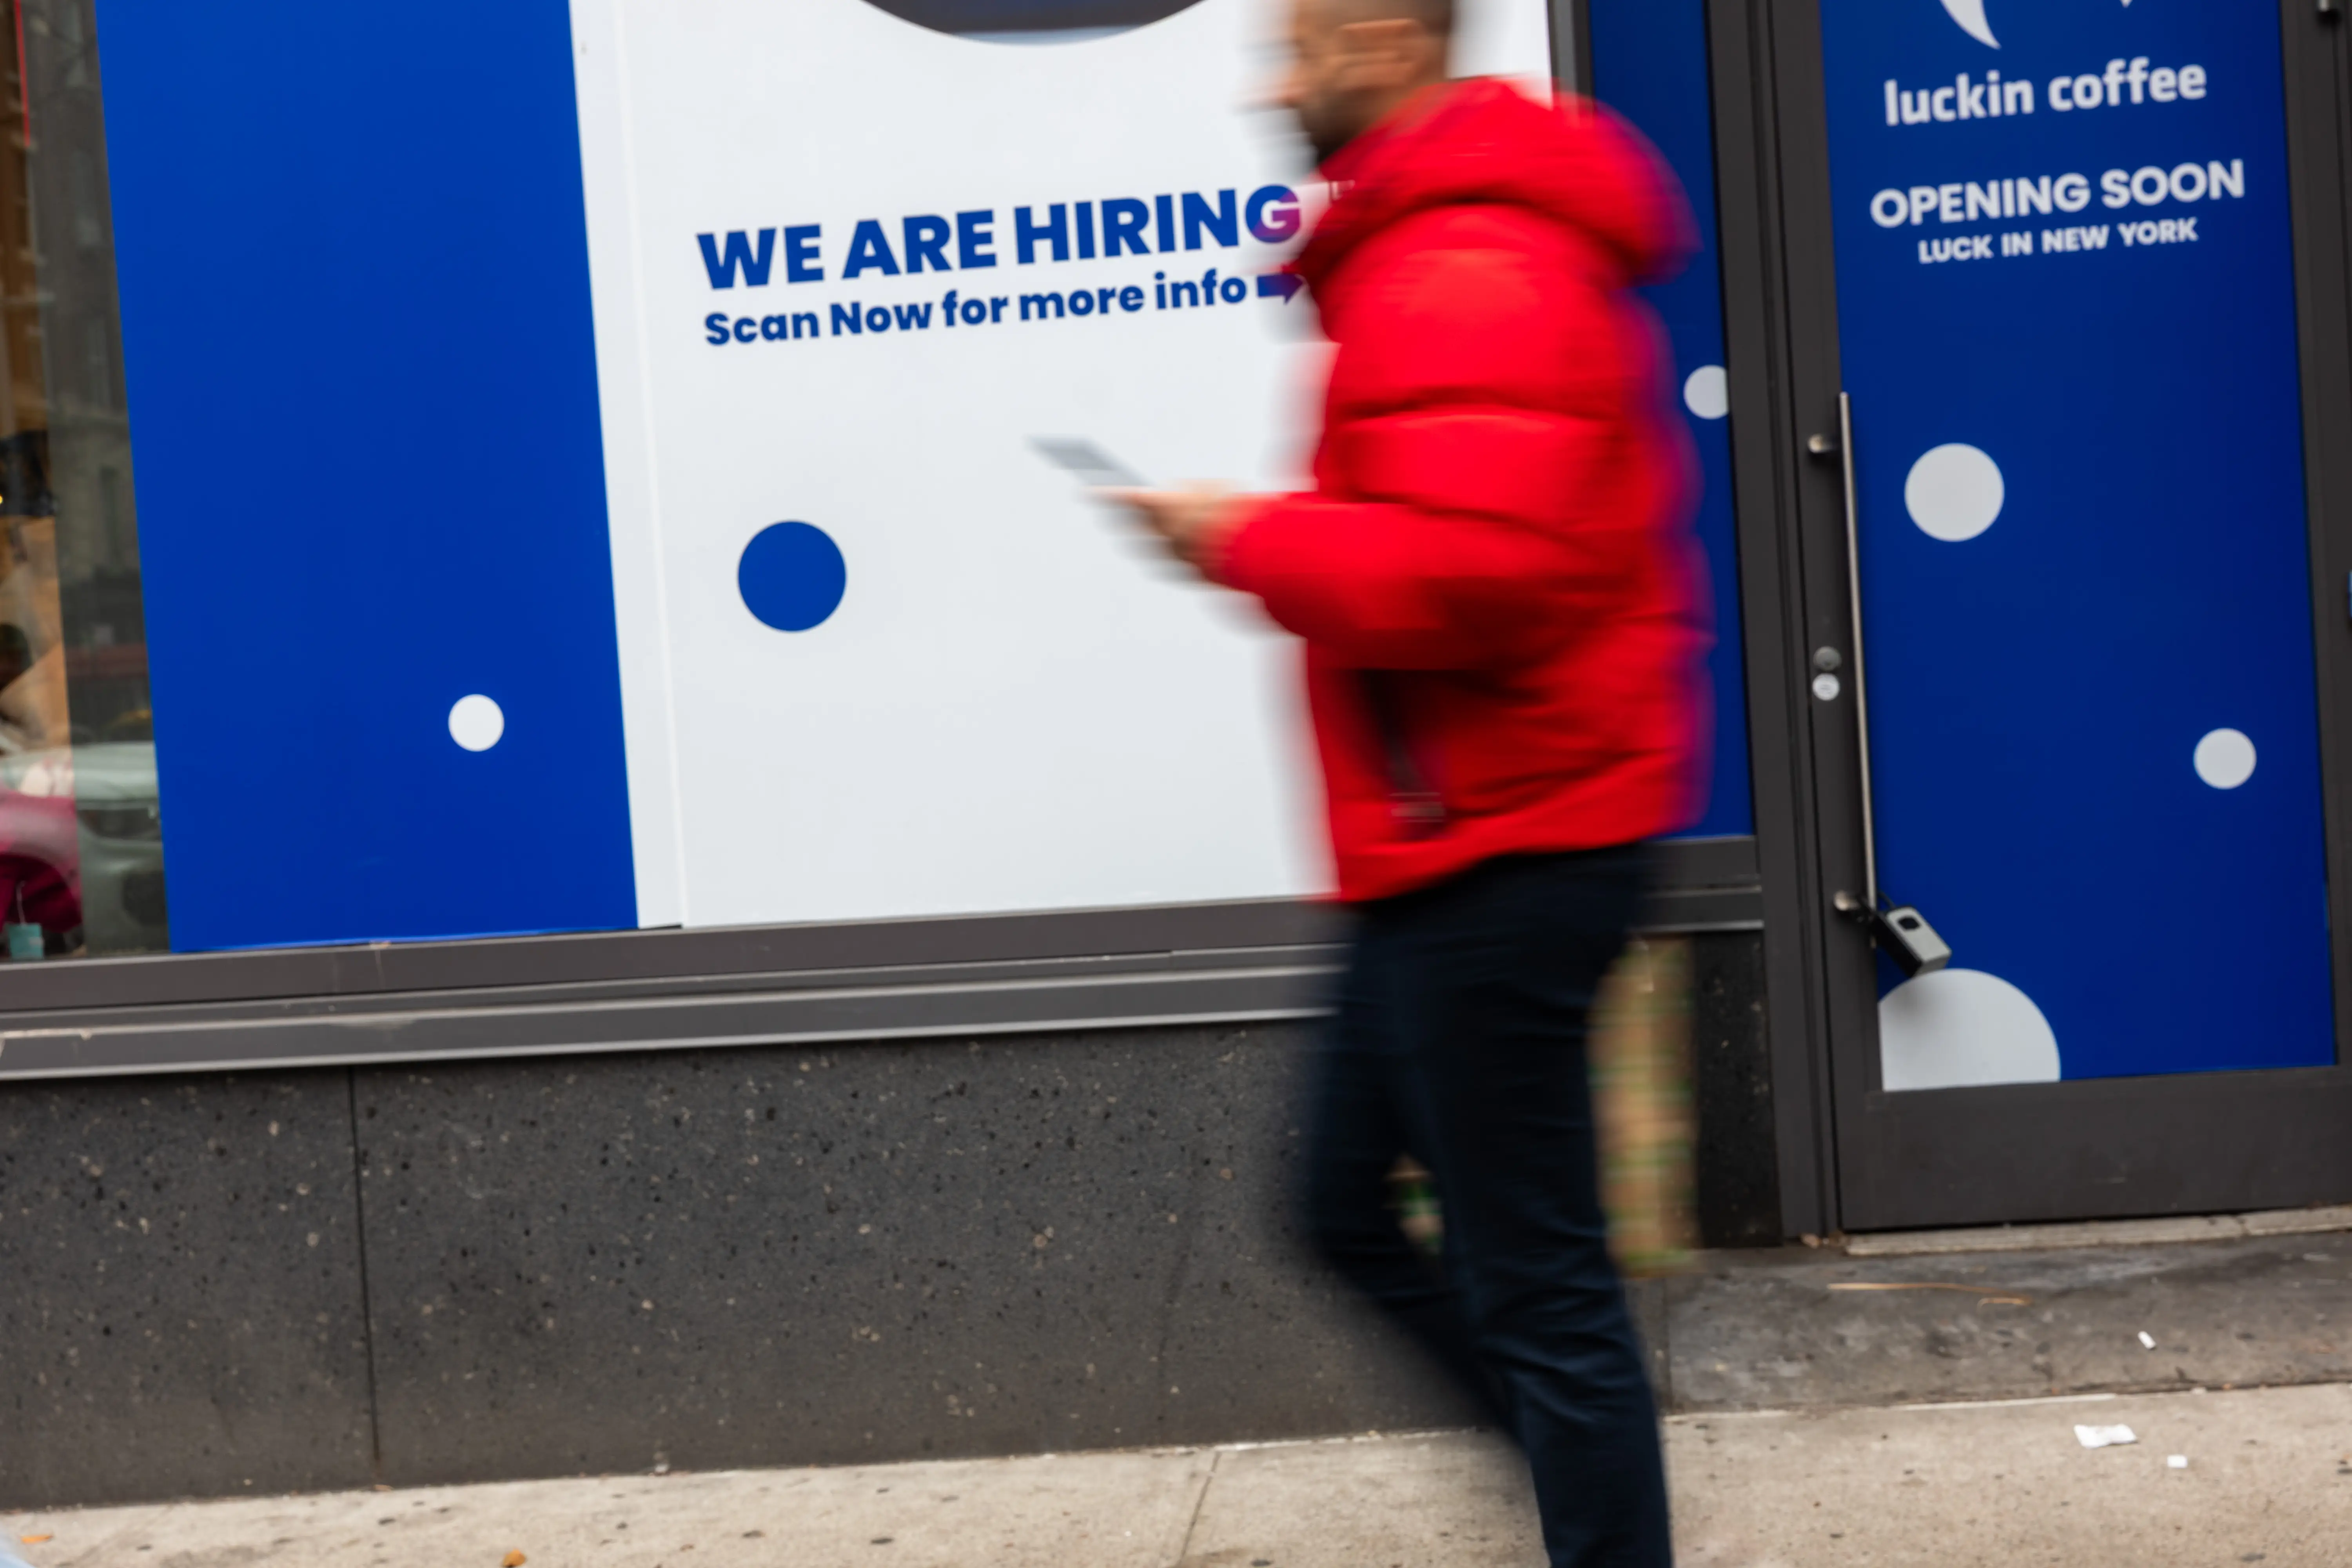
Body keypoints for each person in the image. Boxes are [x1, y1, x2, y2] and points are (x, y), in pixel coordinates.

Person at [1112, 1, 1709, 1563]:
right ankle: (1586, 1477)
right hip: (1446, 835)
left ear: (1393, 35)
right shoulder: (1423, 246)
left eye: (1301, 45)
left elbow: (1475, 575)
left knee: (1541, 1285)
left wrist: (1241, 539)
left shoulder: (1467, 256)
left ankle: (1600, 1498)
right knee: (1338, 1209)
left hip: (1511, 838)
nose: (1276, 83)